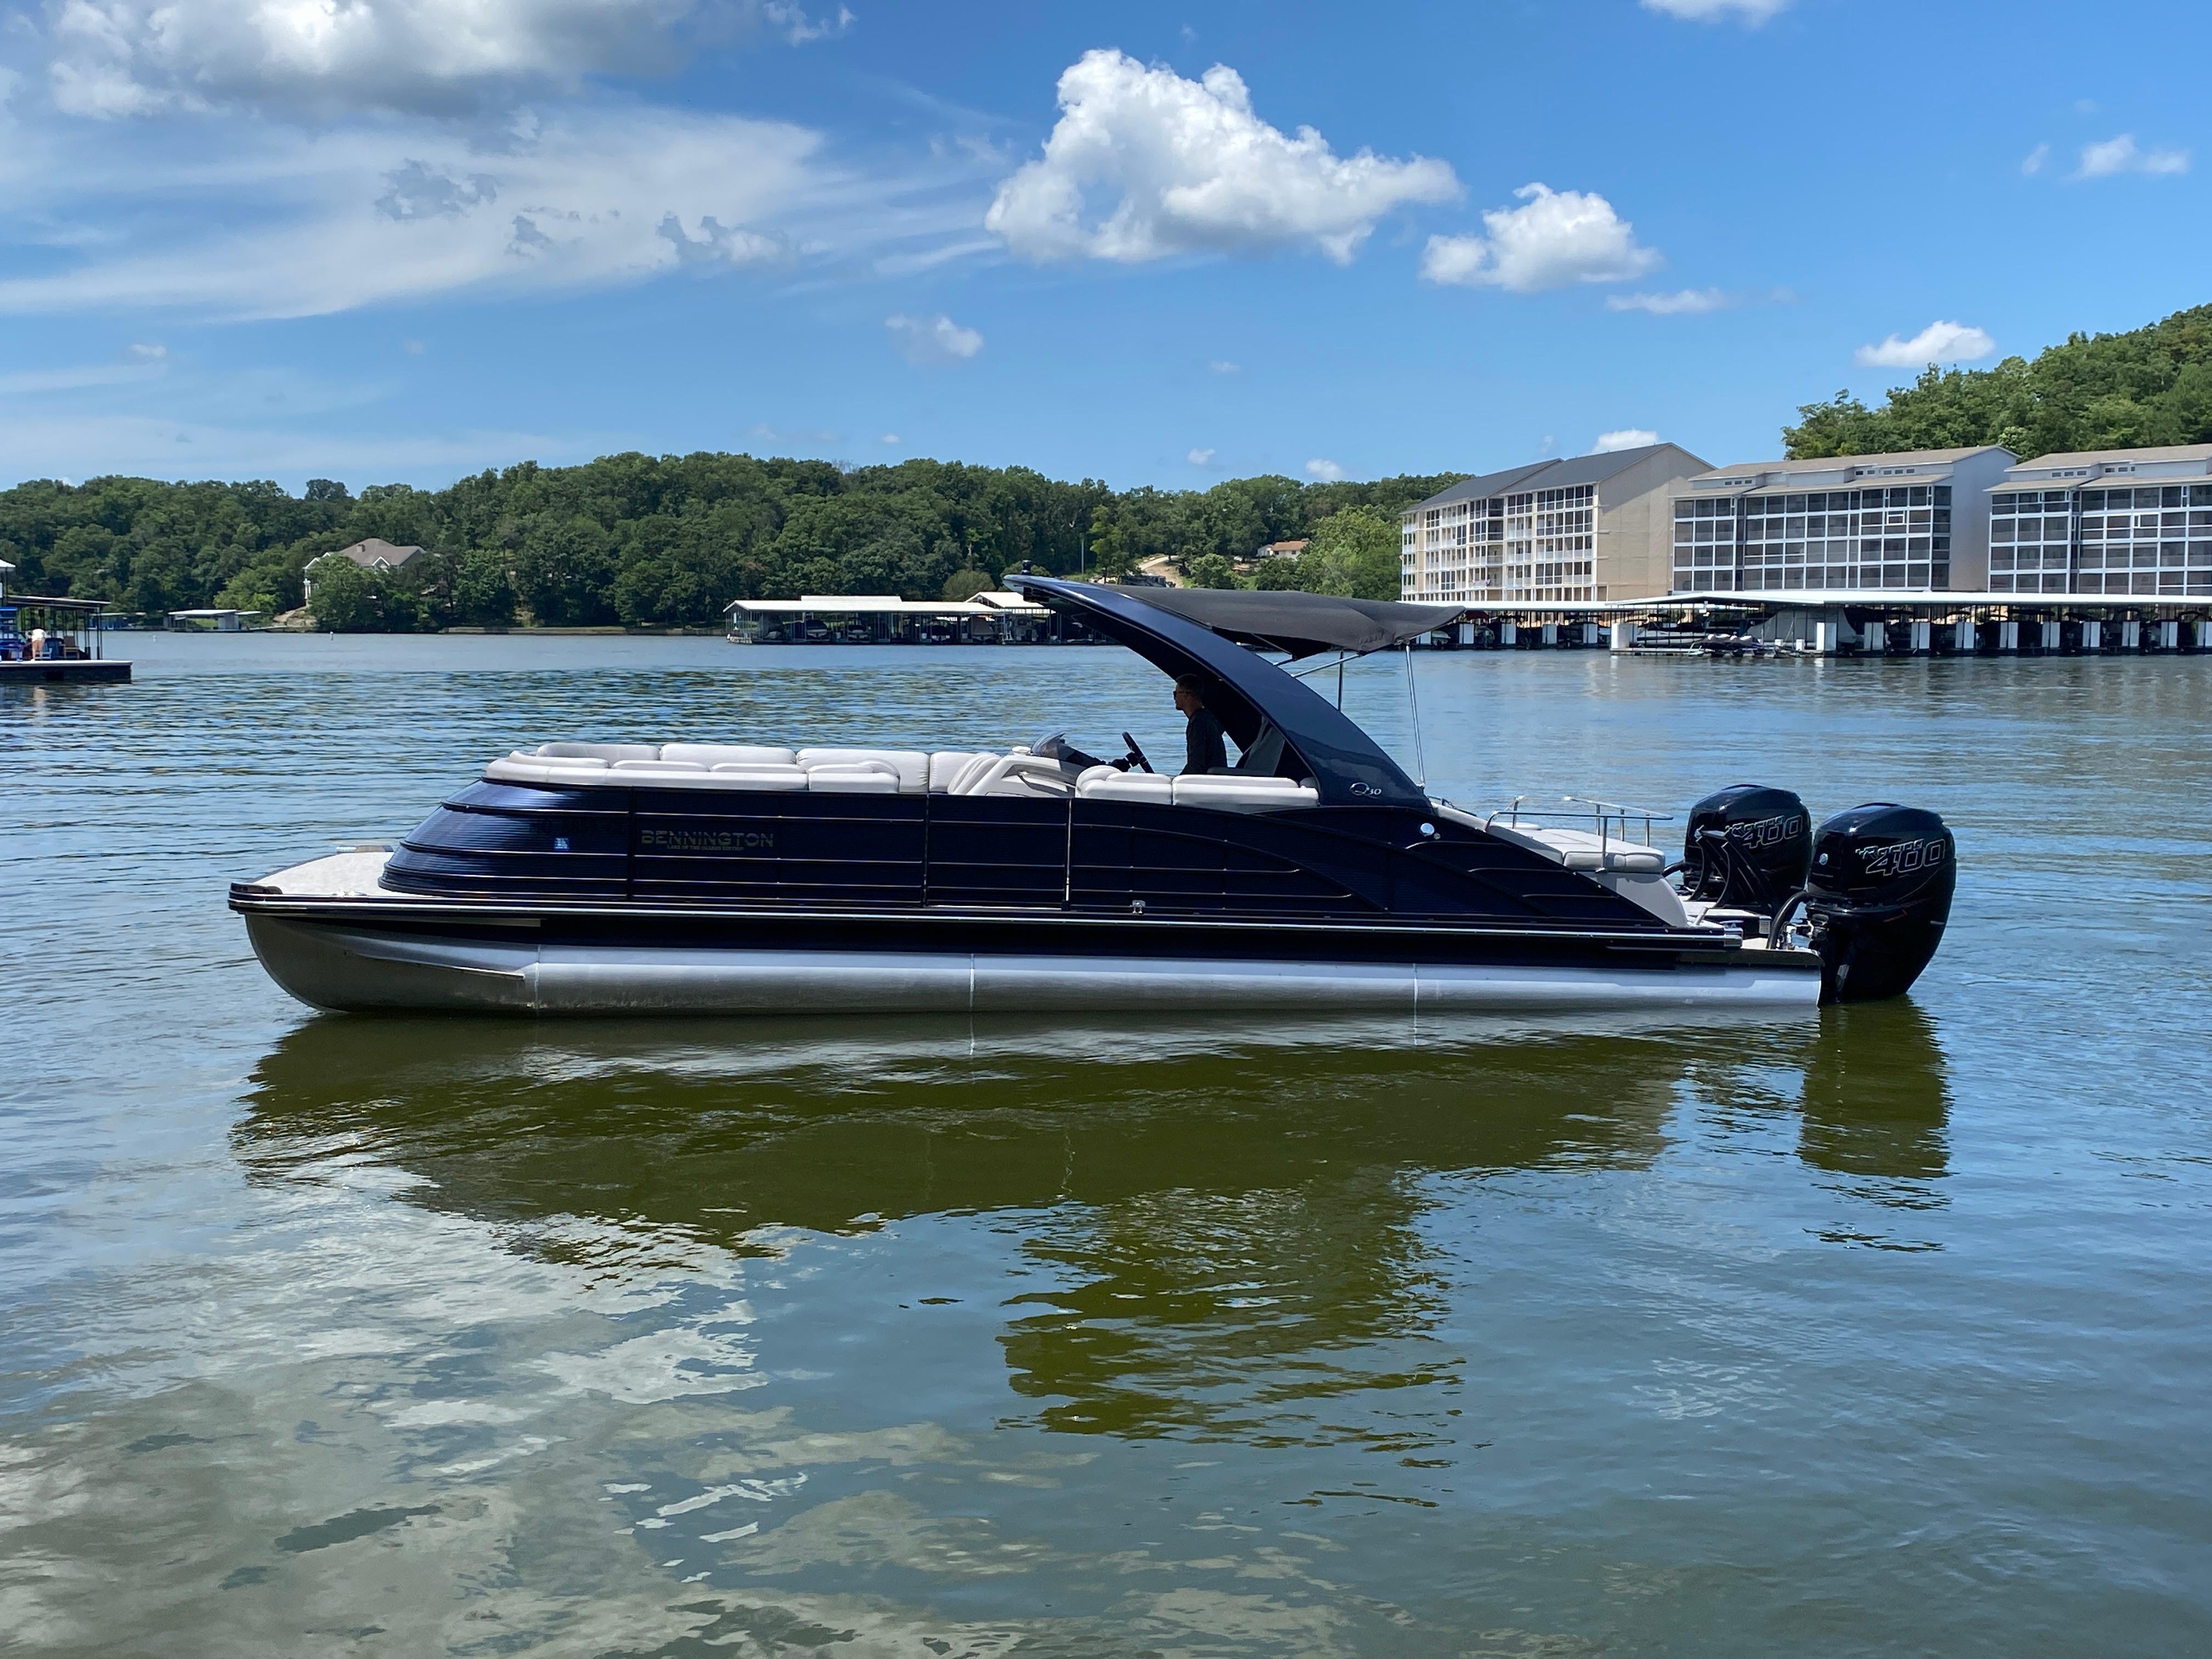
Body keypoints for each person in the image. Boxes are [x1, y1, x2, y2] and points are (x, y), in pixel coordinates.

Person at [1173, 673, 1227, 775]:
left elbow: (1196, 766)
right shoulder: (1207, 719)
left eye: (1176, 693)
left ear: (1185, 695)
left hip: (1208, 781)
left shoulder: (1198, 724)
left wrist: (1175, 781)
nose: (1175, 698)